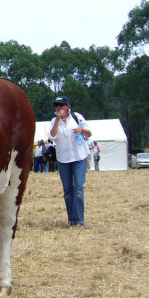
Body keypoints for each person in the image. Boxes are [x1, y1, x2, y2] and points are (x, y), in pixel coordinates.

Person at [48, 96, 91, 227]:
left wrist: (82, 130)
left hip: (79, 157)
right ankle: (71, 219)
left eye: (61, 105)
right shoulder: (54, 121)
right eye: (56, 105)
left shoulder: (77, 117)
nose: (58, 108)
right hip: (63, 159)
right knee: (68, 190)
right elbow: (52, 136)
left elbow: (89, 133)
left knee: (78, 188)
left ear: (67, 106)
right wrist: (57, 120)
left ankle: (79, 220)